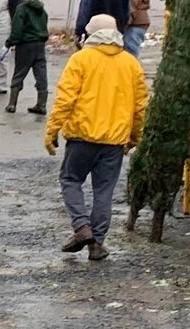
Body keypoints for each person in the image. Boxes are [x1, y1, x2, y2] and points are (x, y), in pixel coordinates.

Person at [44, 15, 150, 261]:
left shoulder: (80, 60)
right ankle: (97, 243)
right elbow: (139, 106)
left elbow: (65, 99)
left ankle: (82, 228)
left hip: (82, 137)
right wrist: (134, 137)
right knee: (104, 191)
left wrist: (52, 130)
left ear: (90, 35)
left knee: (70, 180)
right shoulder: (131, 64)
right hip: (114, 142)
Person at [6, 0, 52, 116]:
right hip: (40, 45)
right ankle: (41, 104)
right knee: (41, 73)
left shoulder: (22, 9)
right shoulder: (42, 10)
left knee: (20, 72)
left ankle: (12, 103)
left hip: (25, 45)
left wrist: (10, 42)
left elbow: (17, 29)